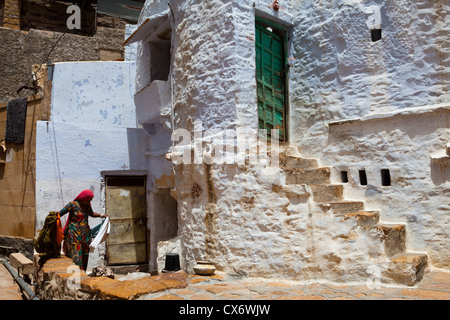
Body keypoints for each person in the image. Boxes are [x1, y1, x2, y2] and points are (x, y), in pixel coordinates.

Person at [59, 189, 107, 271]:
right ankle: (75, 277)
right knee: (76, 257)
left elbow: (91, 213)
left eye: (90, 200)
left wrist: (102, 215)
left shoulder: (87, 206)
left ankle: (83, 276)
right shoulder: (72, 205)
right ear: (83, 198)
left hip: (85, 236)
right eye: (88, 200)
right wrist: (53, 218)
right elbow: (60, 213)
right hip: (73, 236)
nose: (89, 202)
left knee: (85, 256)